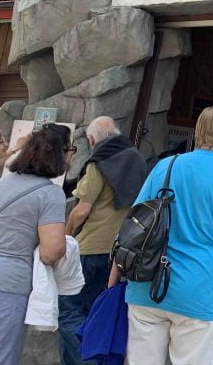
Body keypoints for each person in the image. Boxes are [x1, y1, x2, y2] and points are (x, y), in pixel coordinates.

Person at [117, 106, 213, 365]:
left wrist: (114, 278)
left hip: (148, 285)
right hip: (201, 292)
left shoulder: (165, 166)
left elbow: (133, 225)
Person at [0, 124, 73, 365]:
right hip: (4, 286)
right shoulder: (50, 194)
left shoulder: (2, 183)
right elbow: (51, 251)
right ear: (59, 153)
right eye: (70, 149)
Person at [59, 116, 148, 365]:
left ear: (91, 139)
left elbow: (81, 210)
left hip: (90, 247)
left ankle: (89, 359)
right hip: (120, 252)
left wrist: (66, 237)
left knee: (67, 310)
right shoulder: (138, 160)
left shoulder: (100, 161)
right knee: (95, 312)